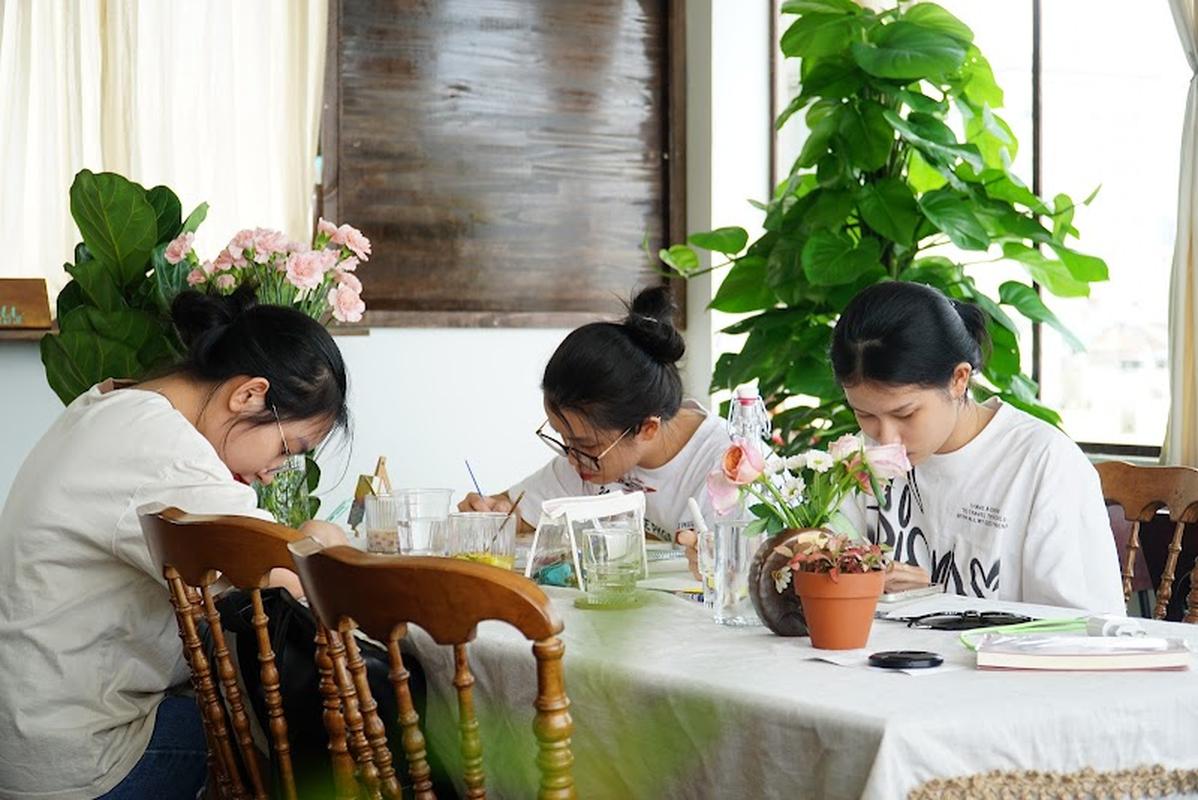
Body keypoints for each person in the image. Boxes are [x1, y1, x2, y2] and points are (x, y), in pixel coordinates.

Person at [0, 286, 351, 800]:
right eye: (286, 448)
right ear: (249, 395)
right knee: (274, 747)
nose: (275, 475)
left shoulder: (114, 403)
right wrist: (325, 535)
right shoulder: (169, 453)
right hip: (68, 761)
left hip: (25, 729)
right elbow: (288, 575)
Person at [829, 281, 1123, 611]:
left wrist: (941, 601)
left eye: (905, 413)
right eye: (865, 414)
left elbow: (1087, 630)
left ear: (959, 379)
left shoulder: (1044, 463)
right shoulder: (857, 459)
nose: (885, 439)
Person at [459, 286, 730, 542]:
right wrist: (490, 512)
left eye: (585, 445)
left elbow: (746, 573)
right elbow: (515, 511)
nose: (572, 459)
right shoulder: (585, 458)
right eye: (564, 439)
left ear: (647, 428)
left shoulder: (727, 466)